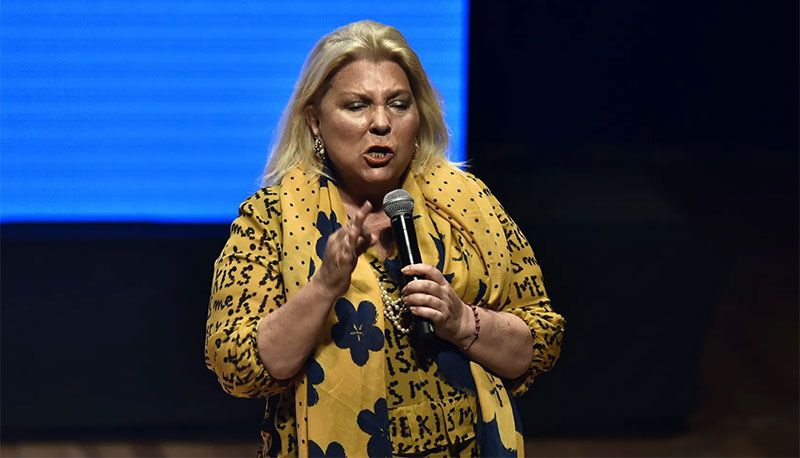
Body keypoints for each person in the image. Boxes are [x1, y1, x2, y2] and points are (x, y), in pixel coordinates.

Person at [205, 20, 565, 457]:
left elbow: (540, 341)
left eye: (398, 104)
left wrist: (462, 321)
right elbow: (237, 367)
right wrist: (323, 288)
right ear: (315, 120)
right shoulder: (271, 219)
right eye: (357, 106)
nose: (381, 123)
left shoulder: (469, 205)